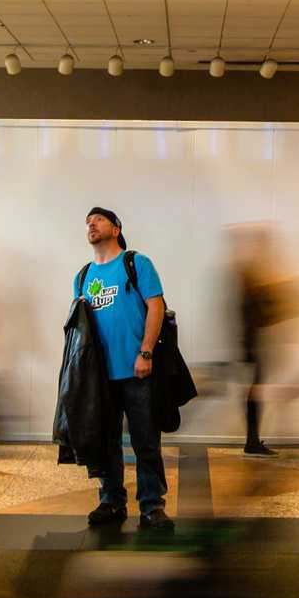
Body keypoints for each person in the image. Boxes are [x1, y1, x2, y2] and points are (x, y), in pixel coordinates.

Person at [77, 207, 173, 532]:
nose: (92, 224)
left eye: (99, 220)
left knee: (145, 441)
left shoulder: (136, 264)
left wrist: (145, 352)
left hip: (136, 371)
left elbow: (156, 307)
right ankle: (111, 500)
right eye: (88, 222)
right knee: (105, 442)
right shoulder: (83, 276)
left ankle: (151, 506)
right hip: (99, 379)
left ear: (116, 228)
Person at [229, 223, 299, 459]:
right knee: (255, 392)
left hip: (256, 342)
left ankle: (252, 439)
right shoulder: (250, 272)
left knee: (256, 392)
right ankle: (251, 440)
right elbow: (258, 309)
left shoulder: (252, 271)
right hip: (255, 343)